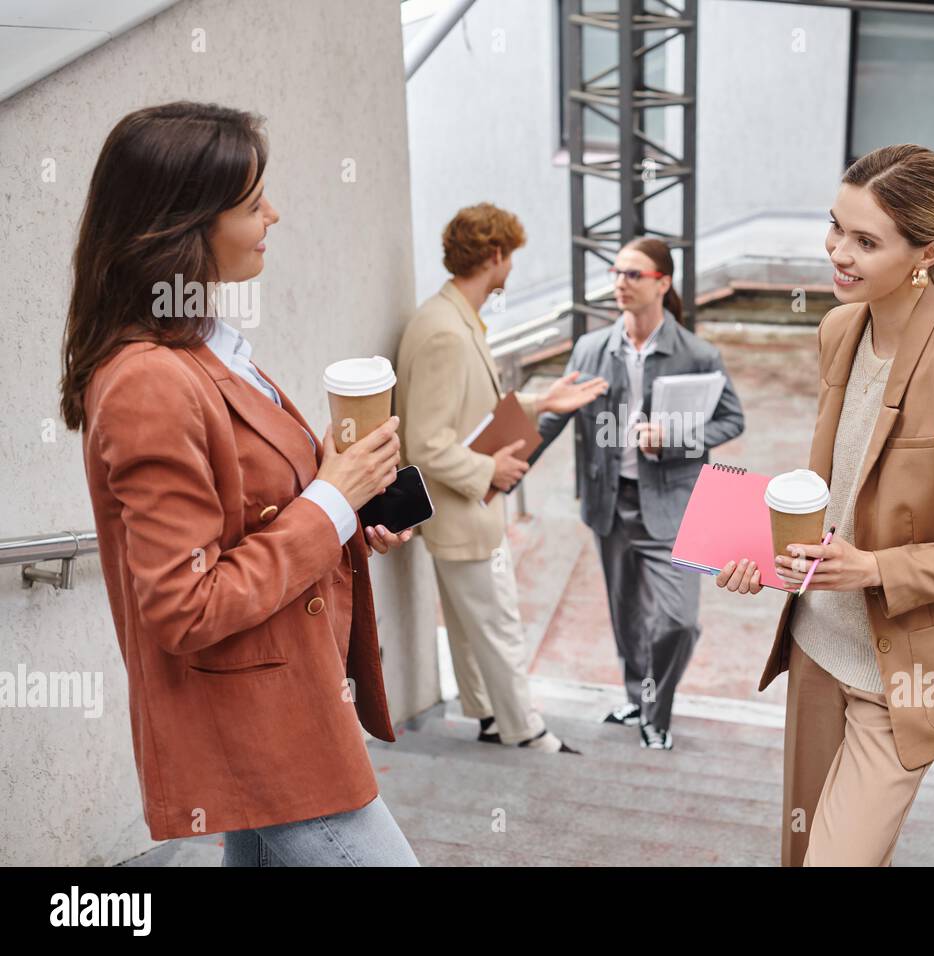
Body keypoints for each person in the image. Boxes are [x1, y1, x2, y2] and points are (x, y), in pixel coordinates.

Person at [61, 102, 420, 866]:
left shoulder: (201, 349)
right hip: (267, 734)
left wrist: (348, 500)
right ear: (184, 225)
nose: (274, 215)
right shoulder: (149, 382)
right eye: (253, 203)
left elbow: (248, 518)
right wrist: (329, 502)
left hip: (281, 713)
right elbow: (184, 605)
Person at [715, 144, 934, 865]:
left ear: (928, 251)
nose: (839, 252)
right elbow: (839, 493)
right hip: (816, 645)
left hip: (904, 677)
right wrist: (753, 547)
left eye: (866, 241)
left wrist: (873, 569)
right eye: (836, 229)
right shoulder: (840, 329)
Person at [396, 203, 607, 753]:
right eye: (511, 256)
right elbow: (427, 442)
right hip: (463, 512)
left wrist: (541, 401)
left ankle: (490, 717)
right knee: (498, 624)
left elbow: (472, 407)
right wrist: (492, 468)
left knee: (472, 626)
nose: (511, 266)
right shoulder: (446, 331)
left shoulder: (449, 316)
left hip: (456, 514)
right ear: (495, 256)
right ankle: (525, 731)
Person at [531, 238, 746, 749]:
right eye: (616, 273)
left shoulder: (696, 354)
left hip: (673, 505)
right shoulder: (590, 350)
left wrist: (674, 437)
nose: (620, 283)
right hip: (610, 504)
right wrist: (496, 472)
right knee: (626, 612)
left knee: (678, 620)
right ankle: (639, 700)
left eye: (634, 274)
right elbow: (550, 420)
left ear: (662, 283)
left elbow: (732, 419)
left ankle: (657, 708)